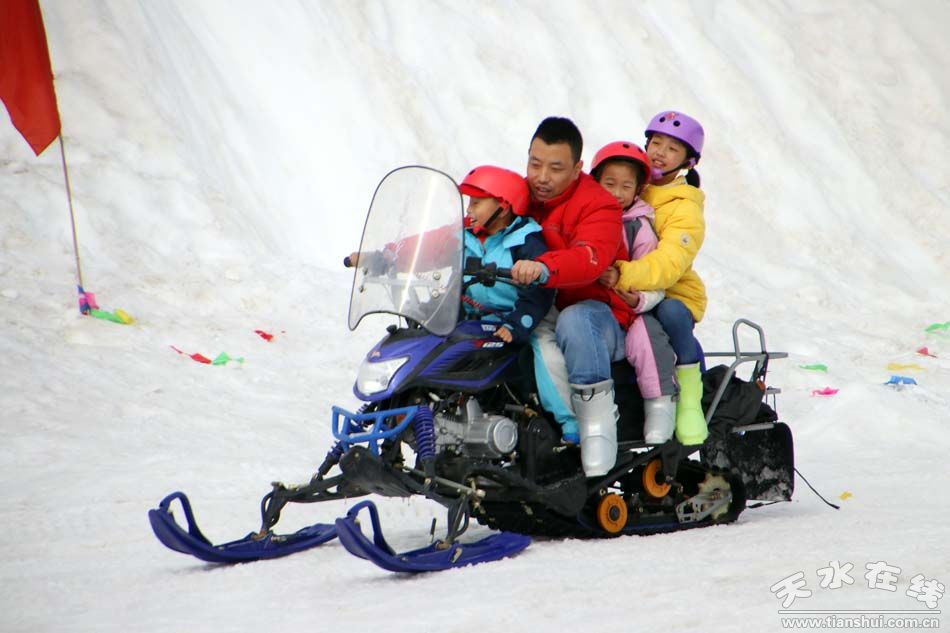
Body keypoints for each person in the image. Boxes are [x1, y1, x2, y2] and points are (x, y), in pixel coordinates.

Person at [509, 117, 631, 477]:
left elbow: (590, 257)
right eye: (535, 163)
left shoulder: (600, 206)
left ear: (578, 168)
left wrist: (543, 267)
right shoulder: (519, 195)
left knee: (574, 319)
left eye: (555, 168)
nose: (541, 177)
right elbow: (478, 220)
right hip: (540, 306)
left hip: (600, 319)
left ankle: (596, 429)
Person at [608, 110, 709, 445]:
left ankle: (691, 397)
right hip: (629, 286)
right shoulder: (632, 182)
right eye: (656, 143)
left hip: (673, 291)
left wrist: (622, 274)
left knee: (669, 314)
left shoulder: (685, 206)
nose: (660, 152)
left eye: (672, 149)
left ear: (688, 162)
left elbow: (669, 263)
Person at [590, 141, 678, 444]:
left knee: (648, 339)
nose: (616, 193)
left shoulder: (638, 228)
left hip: (628, 309)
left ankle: (660, 404)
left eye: (625, 186)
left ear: (637, 191)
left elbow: (655, 281)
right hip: (591, 306)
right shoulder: (585, 218)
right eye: (609, 184)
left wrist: (640, 300)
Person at [457, 165, 553, 344]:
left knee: (546, 357)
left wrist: (516, 325)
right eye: (469, 202)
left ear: (503, 208)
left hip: (516, 325)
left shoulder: (525, 240)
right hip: (471, 324)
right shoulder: (465, 234)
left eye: (476, 203)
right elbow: (434, 246)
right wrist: (397, 253)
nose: (469, 209)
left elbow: (538, 295)